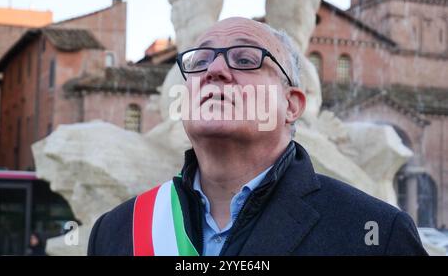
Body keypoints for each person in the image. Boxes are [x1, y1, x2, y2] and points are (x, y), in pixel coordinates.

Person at [88, 17, 427, 256]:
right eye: (200, 60)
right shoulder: (116, 231)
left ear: (291, 105)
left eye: (246, 59)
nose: (214, 71)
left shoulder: (377, 233)